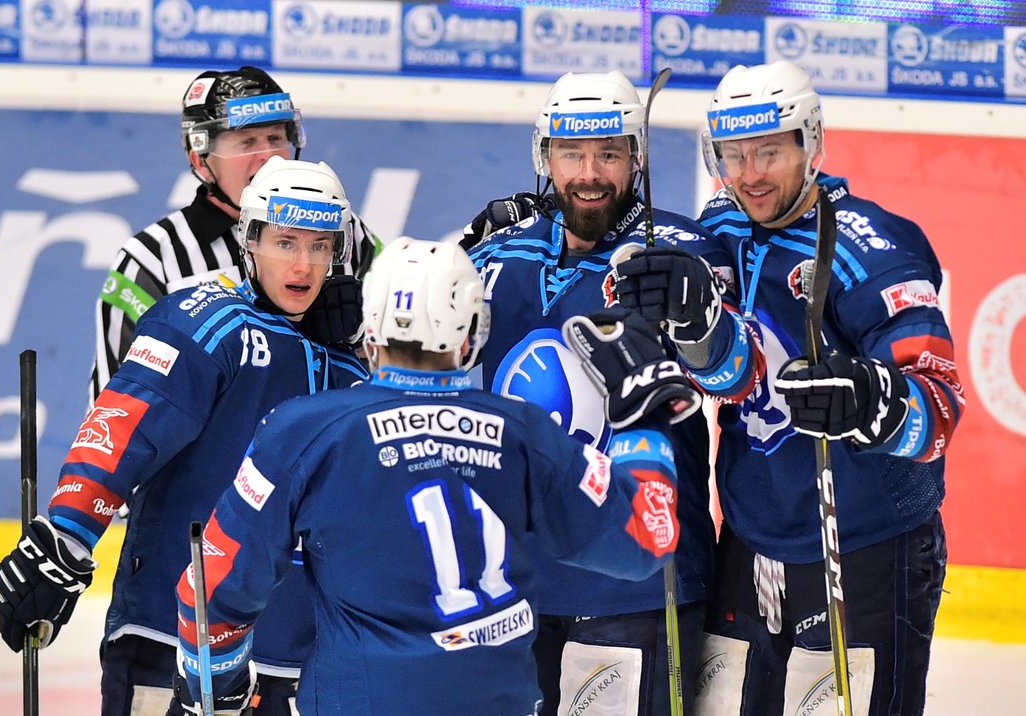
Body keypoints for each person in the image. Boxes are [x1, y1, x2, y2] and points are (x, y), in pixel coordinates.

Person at [169, 236, 696, 715]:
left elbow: (212, 587)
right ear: (471, 330)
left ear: (370, 325)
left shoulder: (306, 430)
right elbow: (646, 542)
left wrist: (218, 682)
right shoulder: (521, 430)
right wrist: (640, 420)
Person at [613, 60, 965, 715]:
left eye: (769, 152)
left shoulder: (871, 245)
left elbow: (940, 408)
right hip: (749, 540)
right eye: (734, 155)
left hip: (862, 544)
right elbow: (734, 371)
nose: (750, 175)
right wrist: (697, 324)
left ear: (812, 141)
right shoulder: (723, 227)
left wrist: (873, 403)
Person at [0, 157, 369, 716]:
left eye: (319, 245)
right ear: (250, 239)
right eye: (286, 242)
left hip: (299, 659)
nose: (304, 263)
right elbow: (122, 428)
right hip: (174, 641)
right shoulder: (202, 322)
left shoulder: (349, 365)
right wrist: (65, 536)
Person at [465, 70, 717, 715]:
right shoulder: (502, 256)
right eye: (571, 152)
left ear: (637, 158)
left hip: (633, 586)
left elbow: (725, 355)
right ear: (543, 156)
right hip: (512, 587)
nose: (590, 172)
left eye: (609, 153)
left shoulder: (676, 253)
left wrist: (697, 308)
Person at [91, 64, 377, 402]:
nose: (268, 157)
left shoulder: (341, 226)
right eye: (247, 142)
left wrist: (363, 338)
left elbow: (413, 346)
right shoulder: (151, 258)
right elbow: (115, 405)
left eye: (275, 138)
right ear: (200, 160)